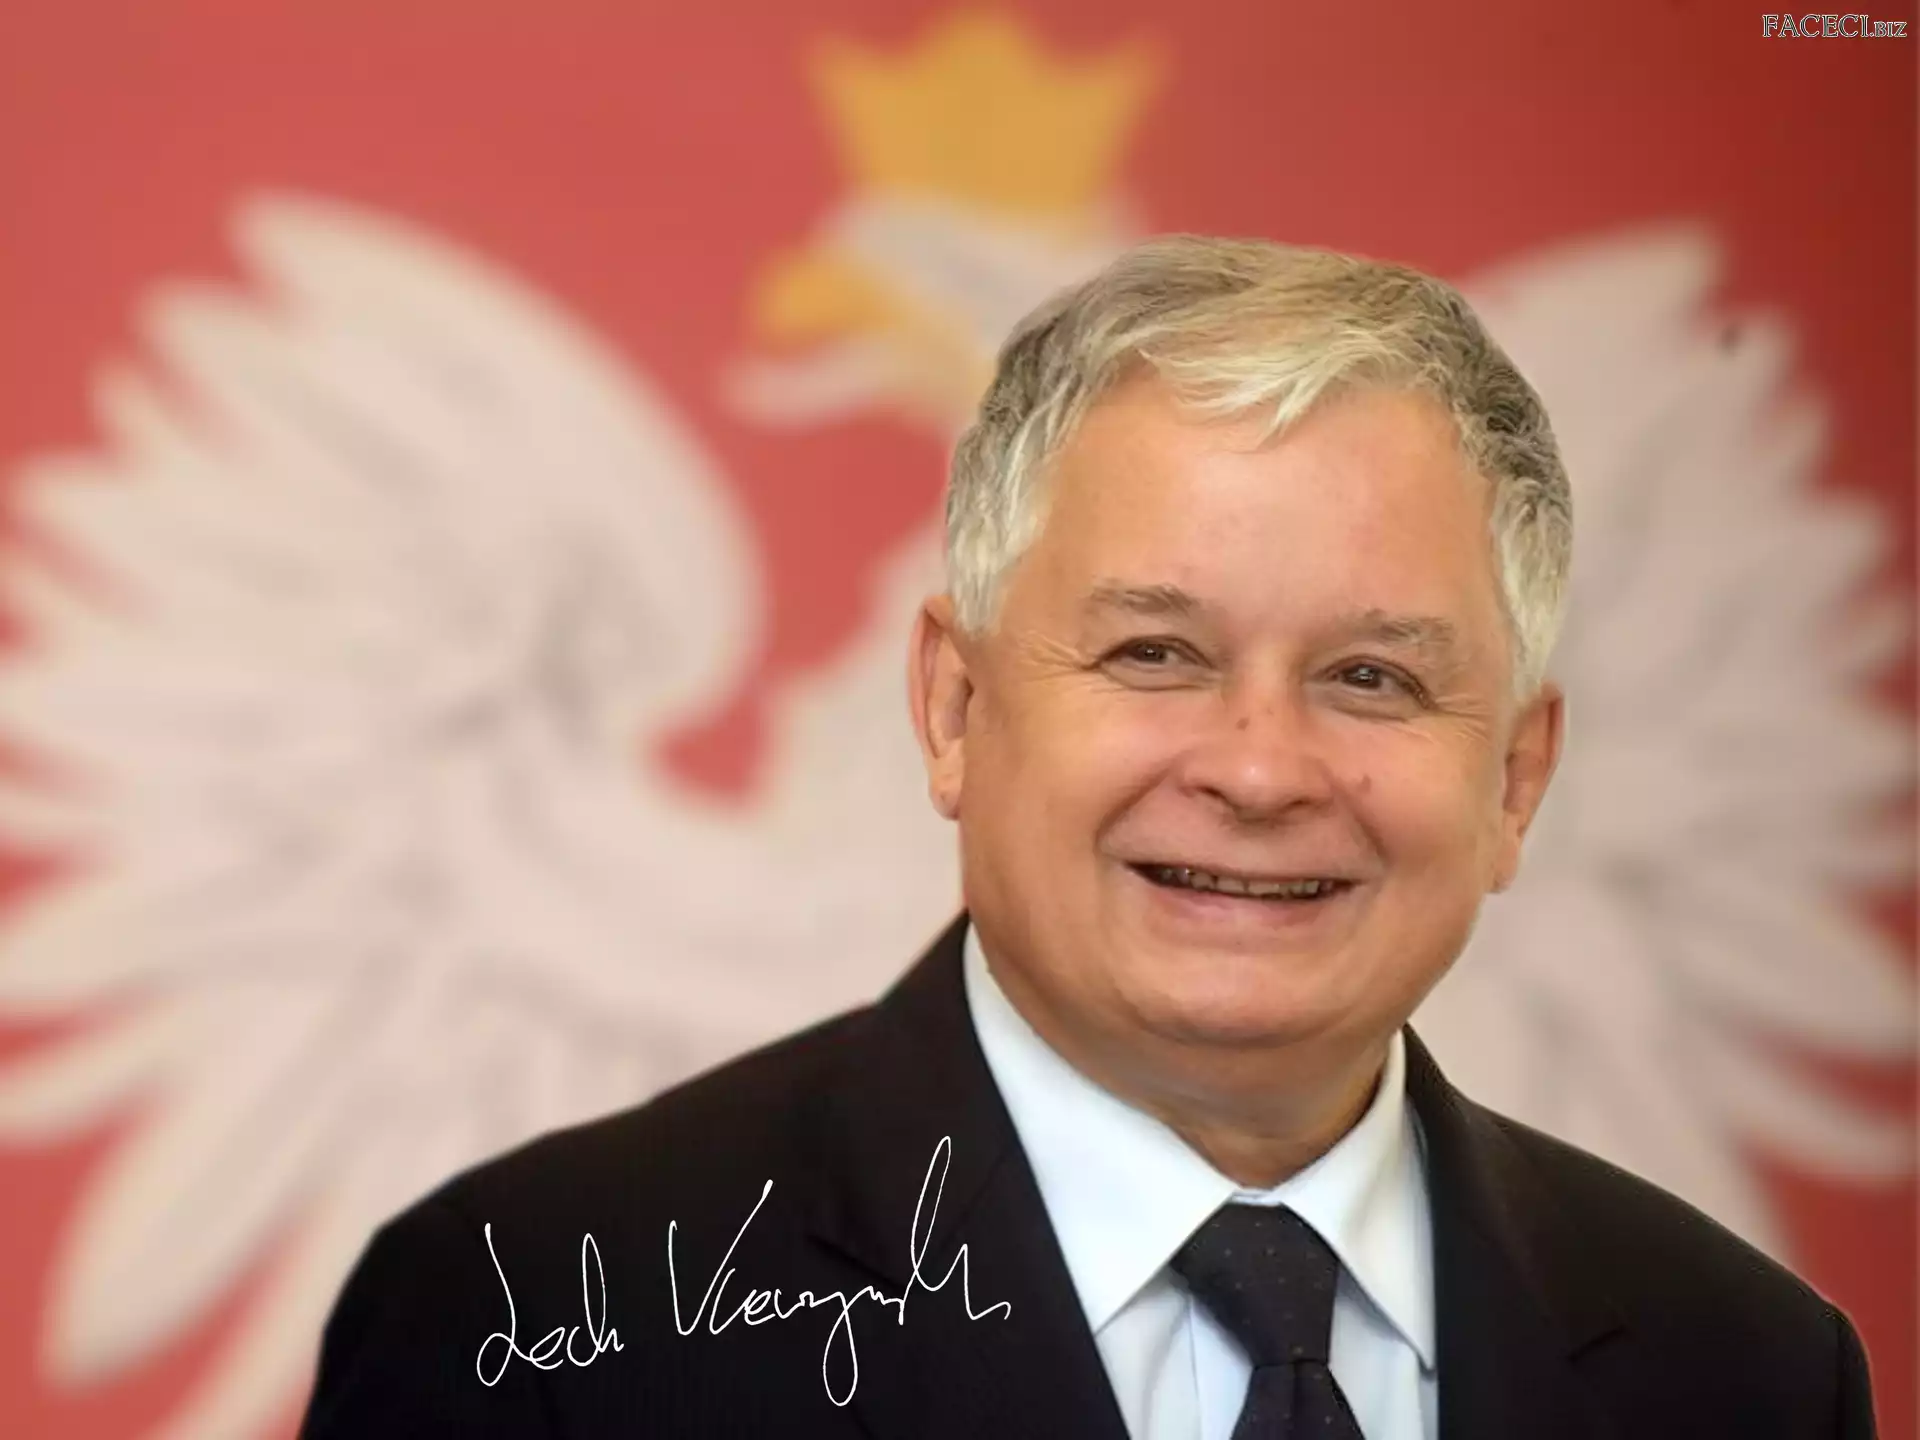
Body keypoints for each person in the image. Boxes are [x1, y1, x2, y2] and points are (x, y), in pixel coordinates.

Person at [299, 236, 1878, 1439]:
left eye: (1372, 678)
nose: (1260, 769)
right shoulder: (528, 1324)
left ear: (1517, 780)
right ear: (954, 708)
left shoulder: (1747, 1375)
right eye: (1155, 653)